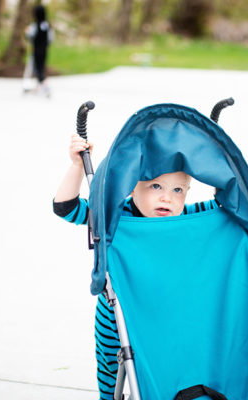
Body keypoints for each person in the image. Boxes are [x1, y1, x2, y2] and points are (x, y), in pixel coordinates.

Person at [53, 133, 218, 400]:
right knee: (112, 376)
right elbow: (65, 207)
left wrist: (216, 167)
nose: (167, 198)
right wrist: (76, 166)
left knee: (166, 375)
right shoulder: (115, 215)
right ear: (131, 187)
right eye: (156, 187)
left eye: (177, 190)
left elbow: (226, 208)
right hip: (117, 318)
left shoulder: (186, 217)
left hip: (164, 317)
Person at [25, 5, 54, 96]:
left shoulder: (34, 25)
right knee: (41, 67)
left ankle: (45, 86)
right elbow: (51, 39)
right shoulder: (47, 25)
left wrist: (26, 32)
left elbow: (30, 35)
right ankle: (38, 87)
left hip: (36, 50)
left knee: (37, 69)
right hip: (44, 50)